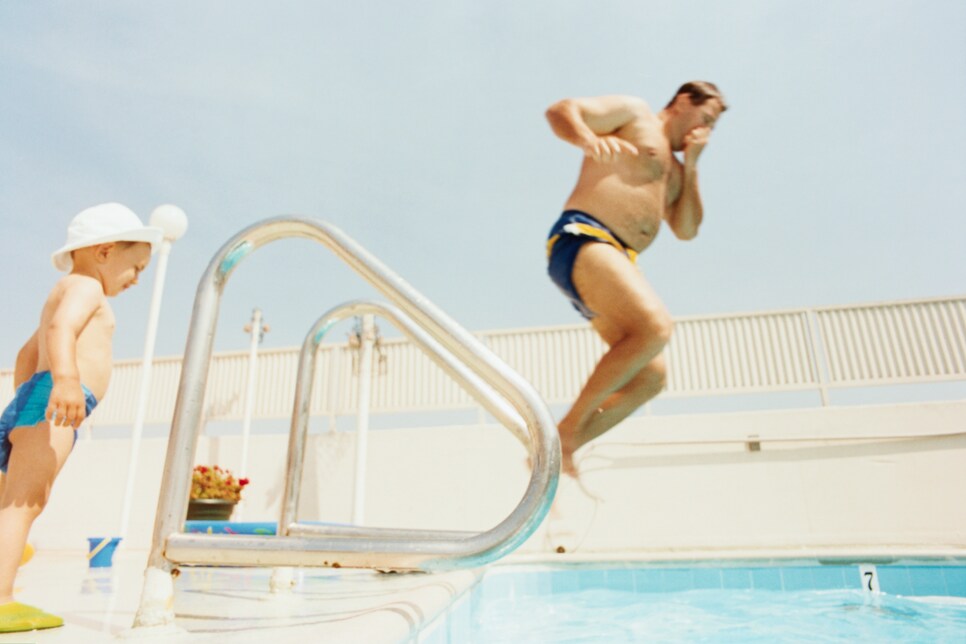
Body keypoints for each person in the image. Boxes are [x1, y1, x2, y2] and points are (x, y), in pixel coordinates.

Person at [545, 82, 727, 476]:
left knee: (651, 377)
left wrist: (693, 165)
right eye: (706, 119)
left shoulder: (679, 171)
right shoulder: (635, 113)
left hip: (619, 259)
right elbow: (560, 110)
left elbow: (687, 228)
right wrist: (587, 138)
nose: (705, 131)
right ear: (683, 102)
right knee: (656, 327)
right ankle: (564, 432)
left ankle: (565, 445)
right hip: (585, 236)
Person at [0, 203, 161, 633]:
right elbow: (60, 334)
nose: (136, 279)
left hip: (34, 401)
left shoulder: (63, 290)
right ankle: (1, 599)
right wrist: (66, 383)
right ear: (105, 252)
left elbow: (26, 355)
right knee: (23, 505)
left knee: (9, 502)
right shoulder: (86, 288)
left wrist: (25, 405)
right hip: (51, 402)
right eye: (136, 266)